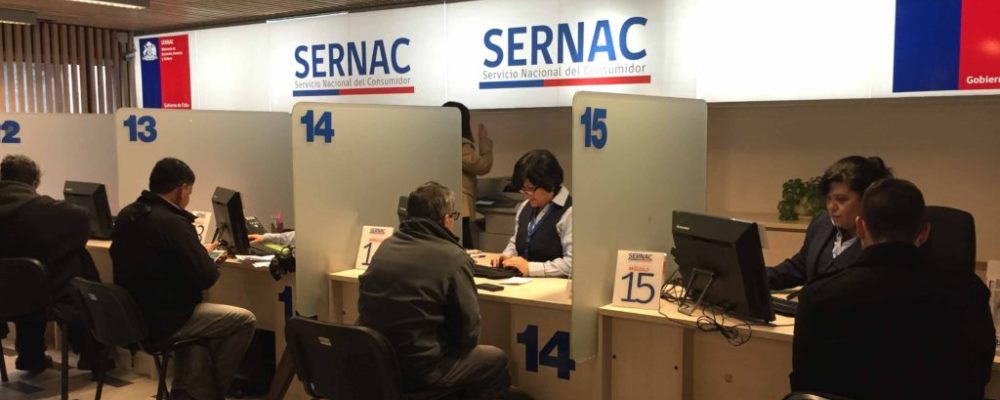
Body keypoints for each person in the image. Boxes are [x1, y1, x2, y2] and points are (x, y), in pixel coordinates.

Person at [790, 178, 995, 399]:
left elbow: (804, 385)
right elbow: (980, 375)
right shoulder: (968, 293)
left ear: (861, 227)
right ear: (925, 232)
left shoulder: (819, 296)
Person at [111, 157, 256, 400]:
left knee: (200, 327)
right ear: (181, 189)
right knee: (244, 320)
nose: (188, 197)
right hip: (165, 320)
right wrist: (203, 256)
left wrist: (195, 252)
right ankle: (211, 392)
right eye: (189, 192)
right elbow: (206, 277)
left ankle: (188, 390)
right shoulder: (174, 223)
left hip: (133, 316)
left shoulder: (128, 215)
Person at [358, 181, 510, 399]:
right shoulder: (453, 257)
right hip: (423, 370)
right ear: (446, 219)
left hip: (378, 363)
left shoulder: (386, 247)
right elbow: (469, 330)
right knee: (495, 359)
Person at [0, 154, 105, 373]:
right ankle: (94, 354)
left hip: (6, 296)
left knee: (26, 280)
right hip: (43, 297)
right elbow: (81, 219)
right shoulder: (43, 210)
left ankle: (30, 353)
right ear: (34, 182)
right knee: (75, 261)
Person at [767, 156, 892, 290]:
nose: (832, 206)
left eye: (841, 199)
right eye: (828, 199)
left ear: (867, 200)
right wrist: (755, 277)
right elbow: (799, 267)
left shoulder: (880, 240)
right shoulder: (822, 224)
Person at [495, 149, 572, 277]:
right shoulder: (525, 206)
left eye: (531, 188)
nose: (527, 195)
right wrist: (507, 256)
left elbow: (571, 264)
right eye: (523, 189)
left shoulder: (569, 212)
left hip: (553, 286)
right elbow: (516, 241)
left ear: (549, 183)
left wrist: (530, 268)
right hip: (522, 282)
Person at [444, 101, 494, 249]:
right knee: (464, 245)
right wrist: (484, 140)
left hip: (447, 202)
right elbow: (482, 166)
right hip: (460, 204)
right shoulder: (459, 145)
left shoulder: (440, 141)